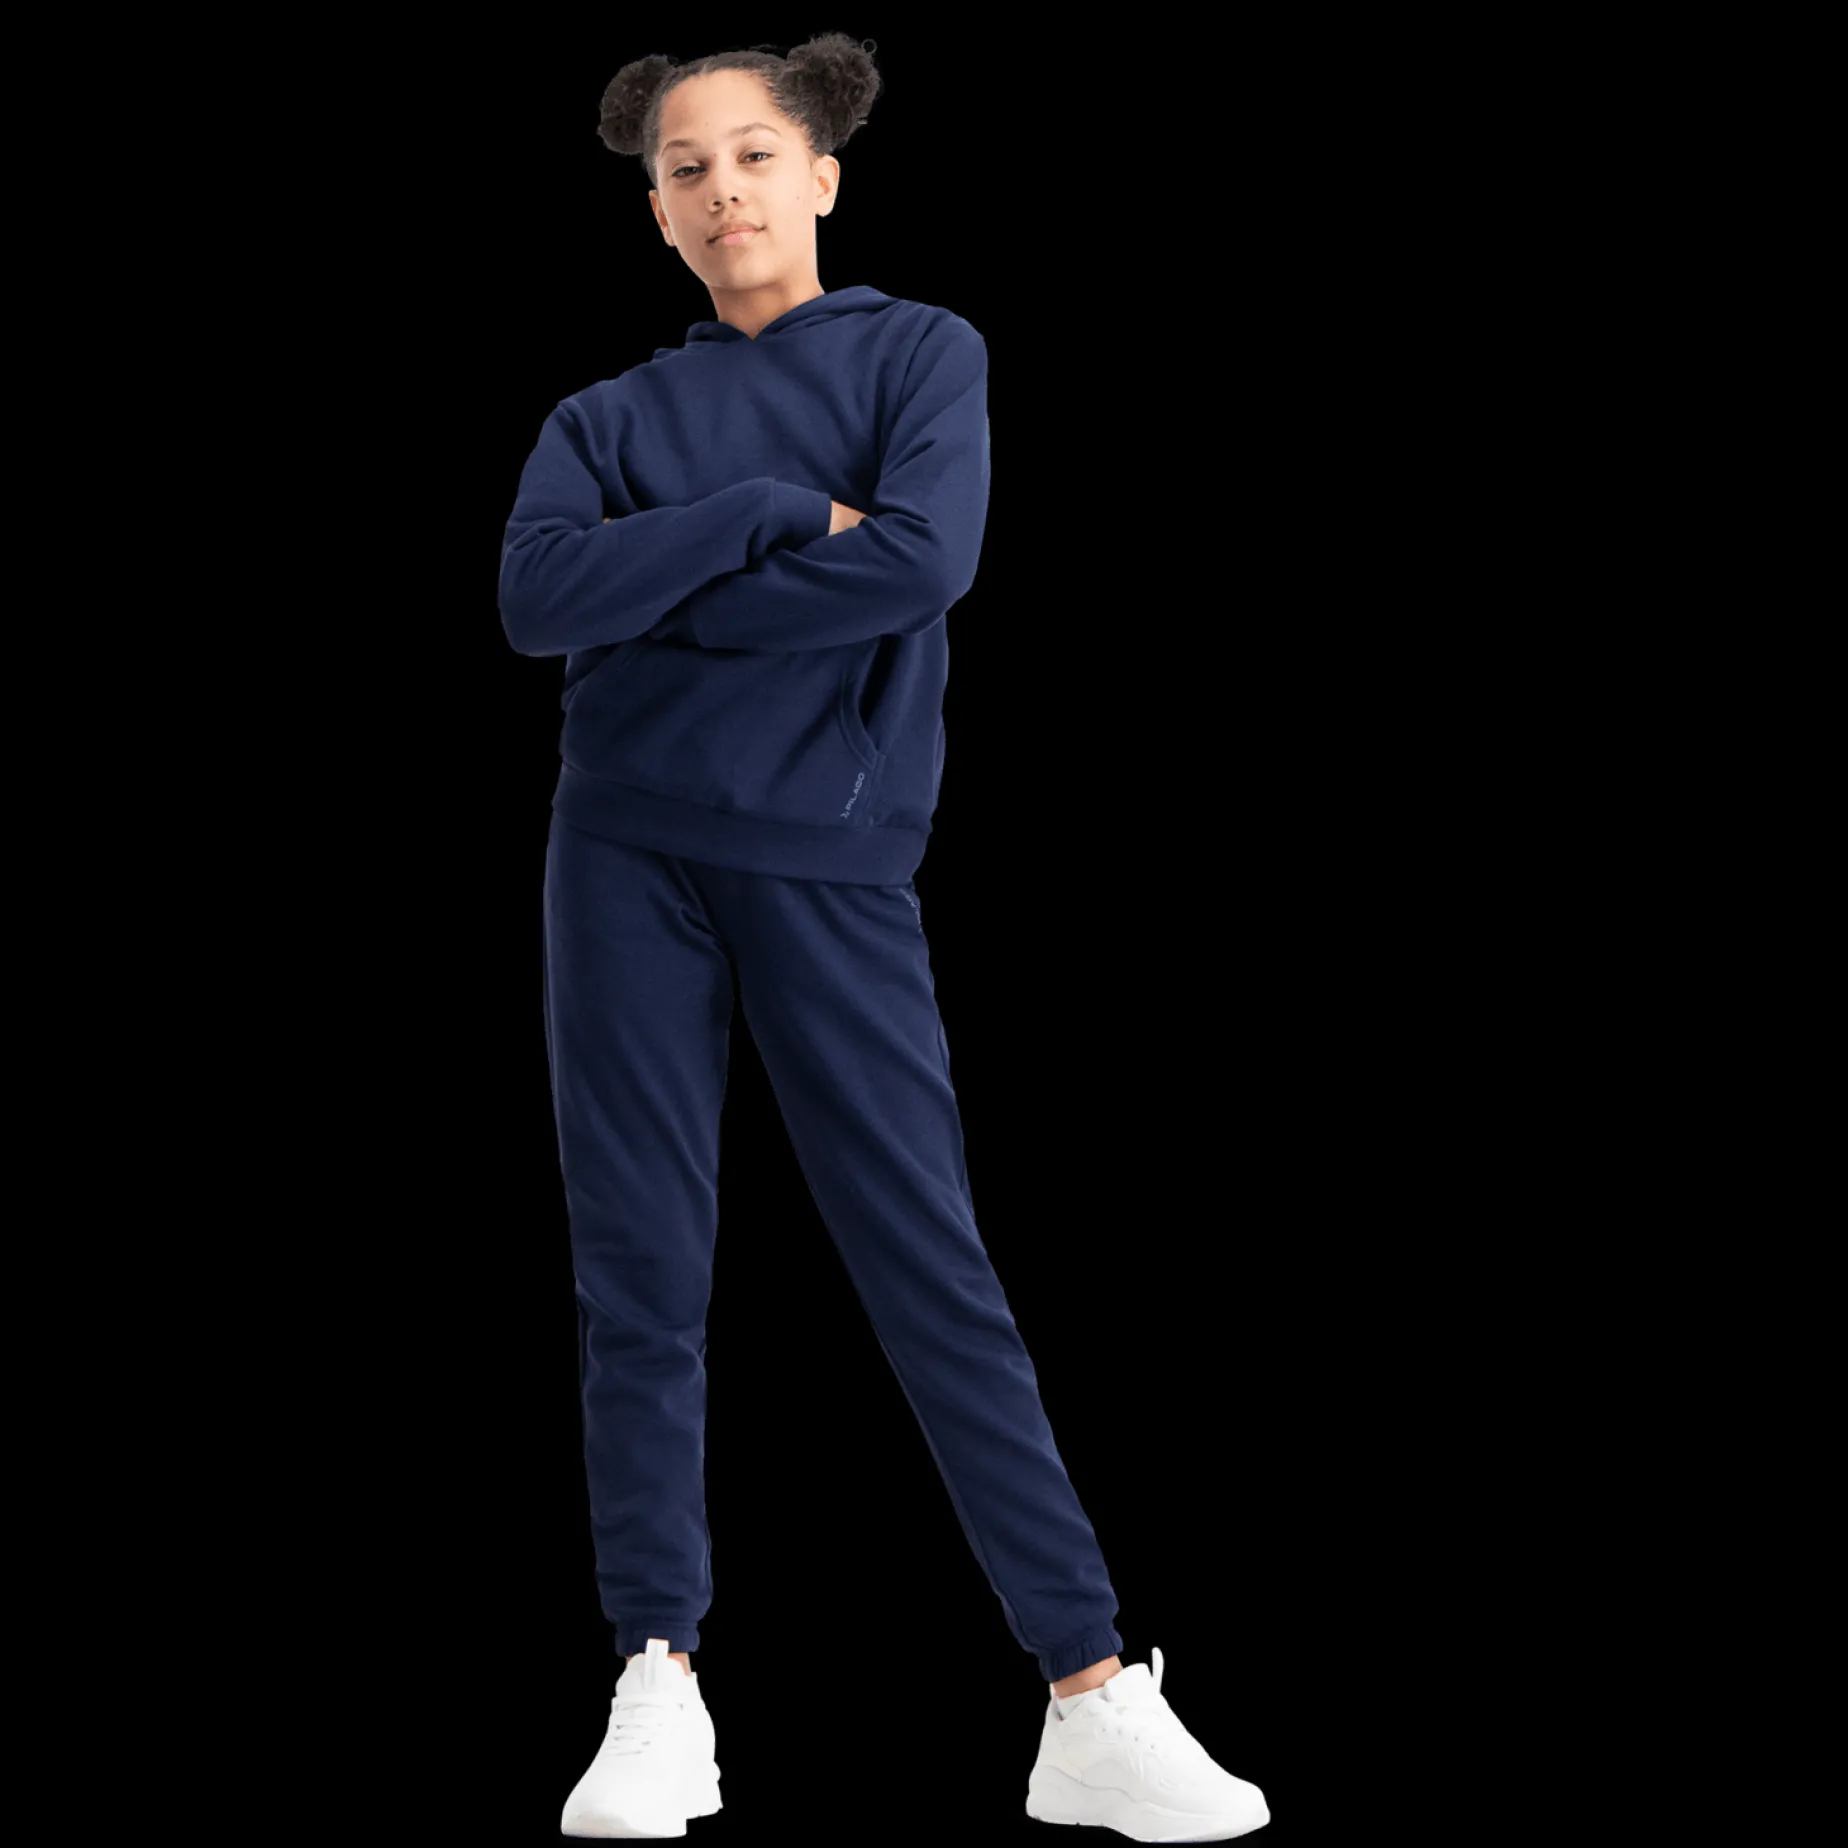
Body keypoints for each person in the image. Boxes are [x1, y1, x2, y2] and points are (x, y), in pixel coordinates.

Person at [498, 32, 1270, 1842]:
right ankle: (656, 1680)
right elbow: (533, 601)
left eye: (753, 154)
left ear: (824, 171)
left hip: (828, 862)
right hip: (617, 858)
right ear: (657, 210)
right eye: (683, 169)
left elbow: (920, 563)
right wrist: (769, 518)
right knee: (639, 1271)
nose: (722, 191)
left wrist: (657, 588)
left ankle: (1091, 1690)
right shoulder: (600, 417)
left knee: (929, 1261)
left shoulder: (924, 353)